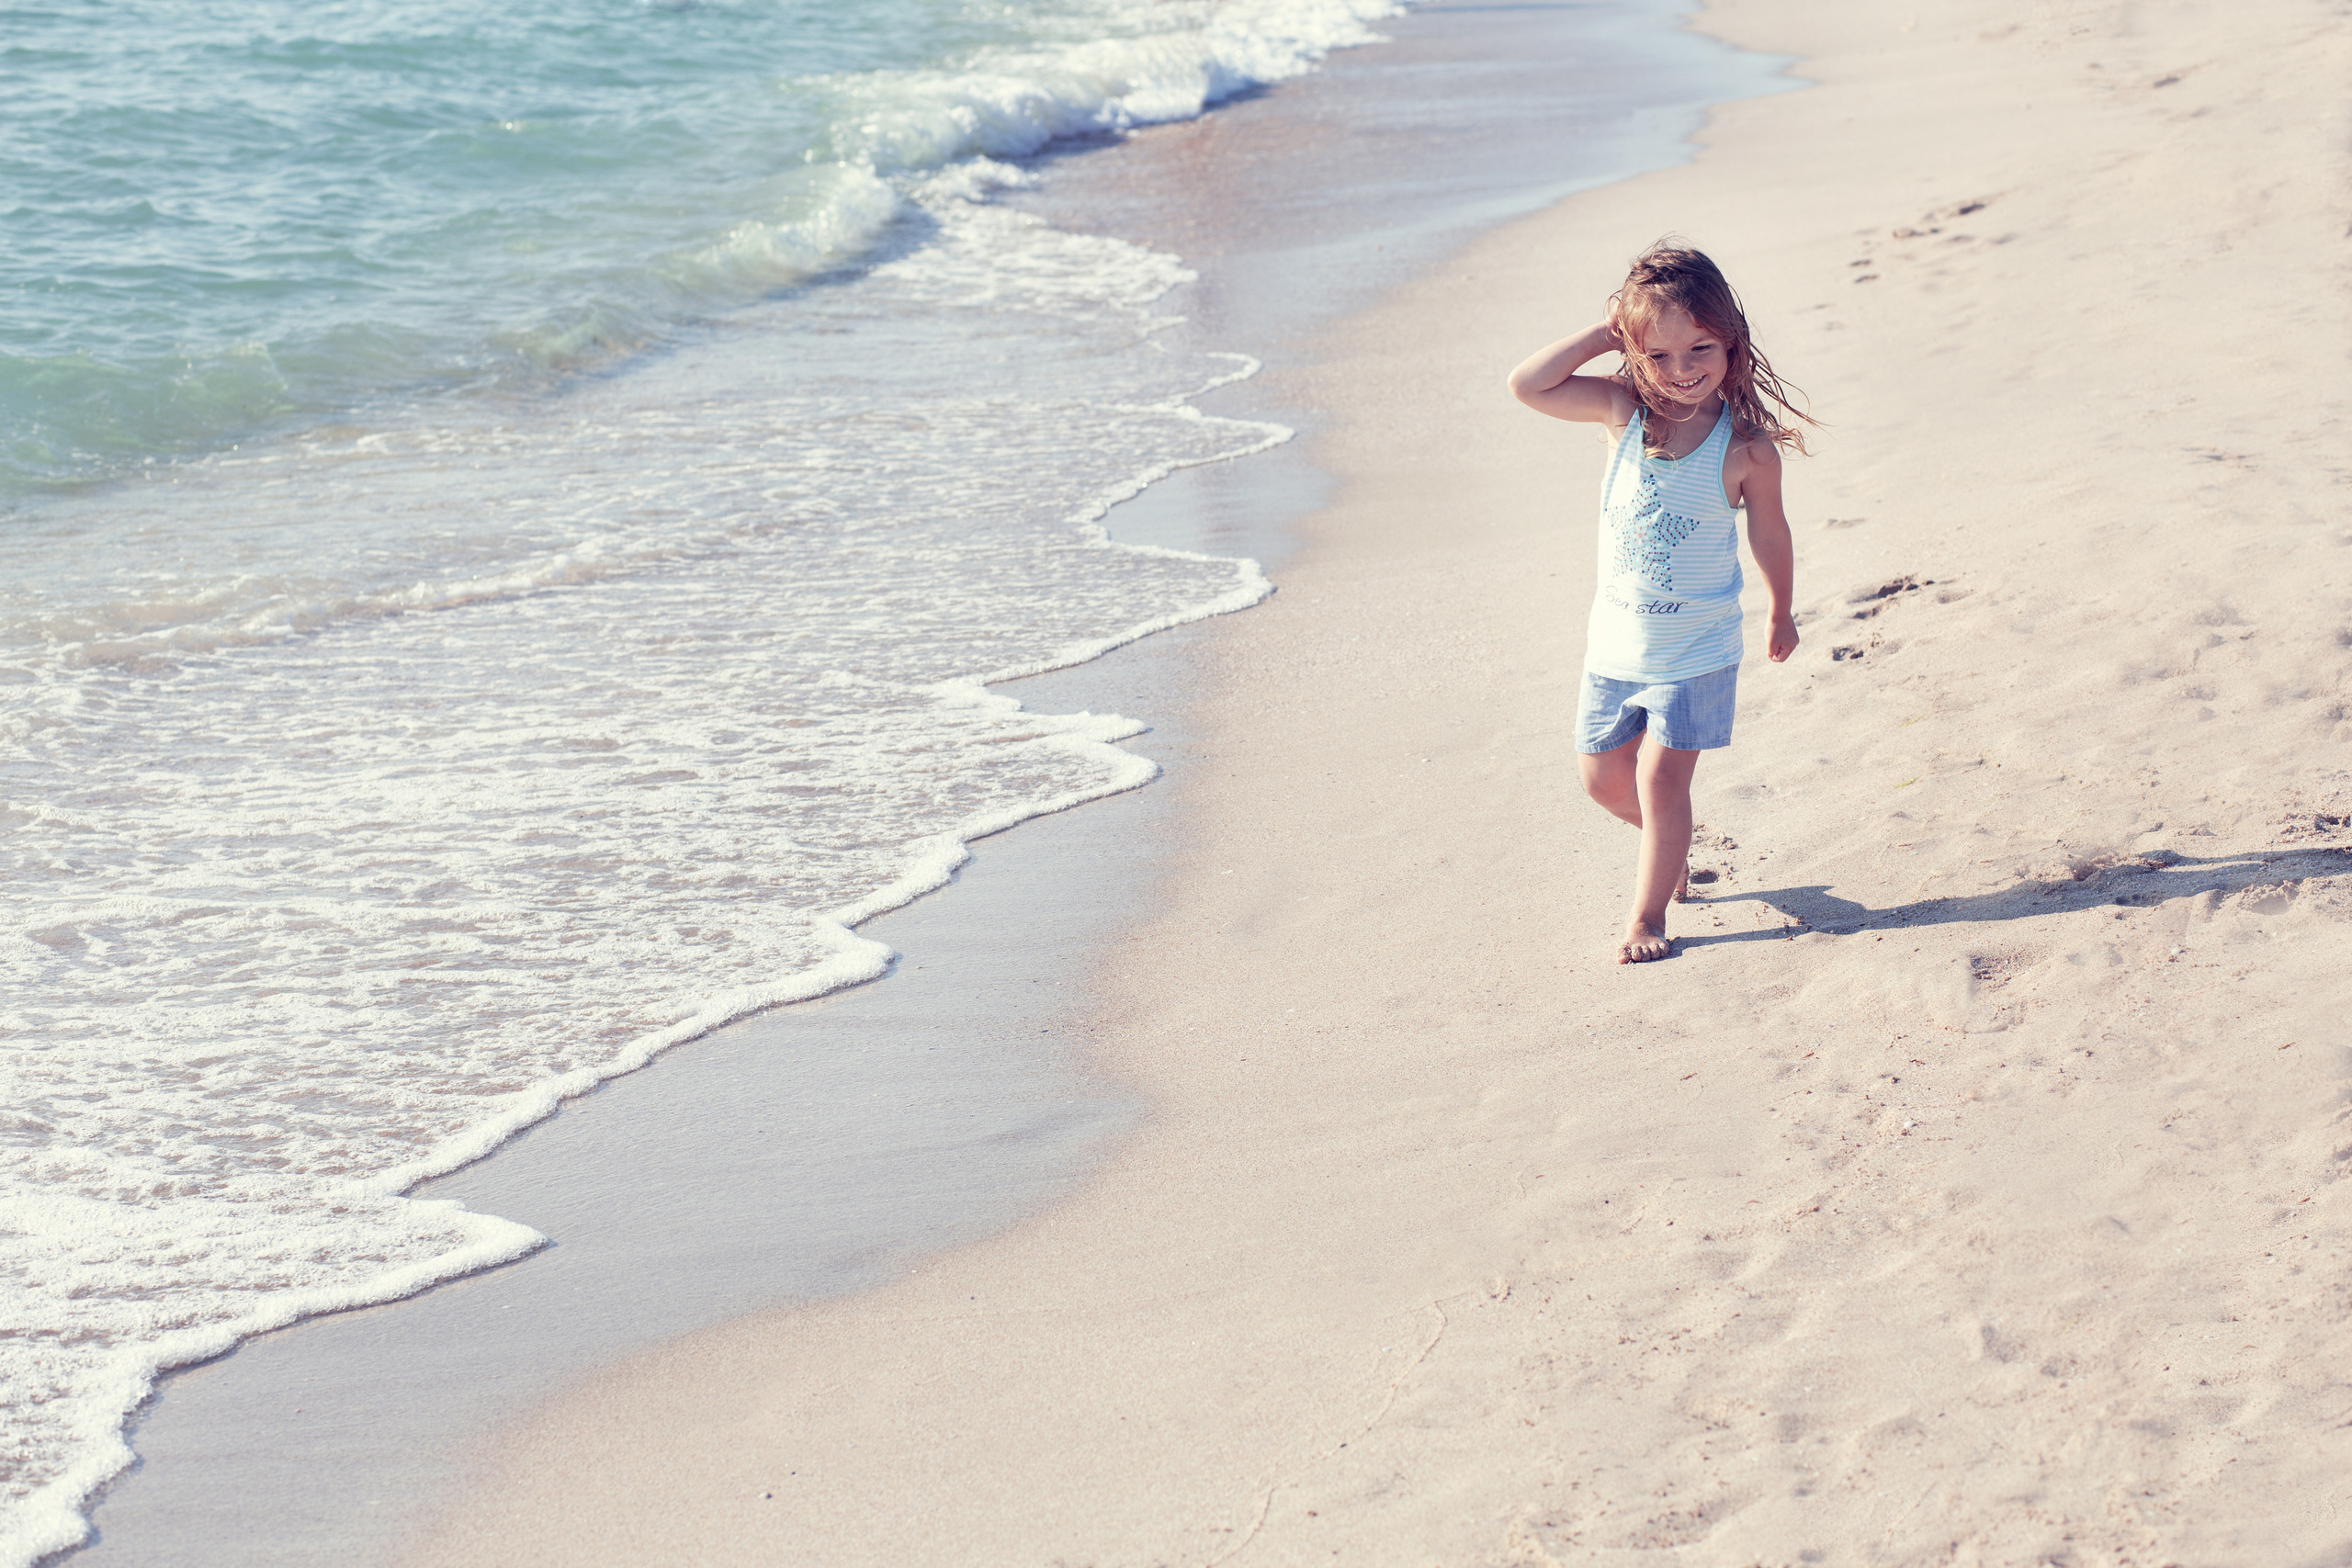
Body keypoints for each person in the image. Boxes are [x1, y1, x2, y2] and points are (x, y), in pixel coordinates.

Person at [1506, 241, 1815, 964]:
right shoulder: (1623, 415)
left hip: (1698, 650)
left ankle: (1649, 914)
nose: (1682, 371)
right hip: (1615, 646)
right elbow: (1528, 384)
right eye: (1660, 354)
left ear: (1732, 345)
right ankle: (1665, 844)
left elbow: (1770, 531)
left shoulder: (1745, 449)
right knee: (1602, 779)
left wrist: (1780, 608)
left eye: (1700, 348)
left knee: (1660, 776)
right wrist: (1602, 332)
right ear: (1636, 352)